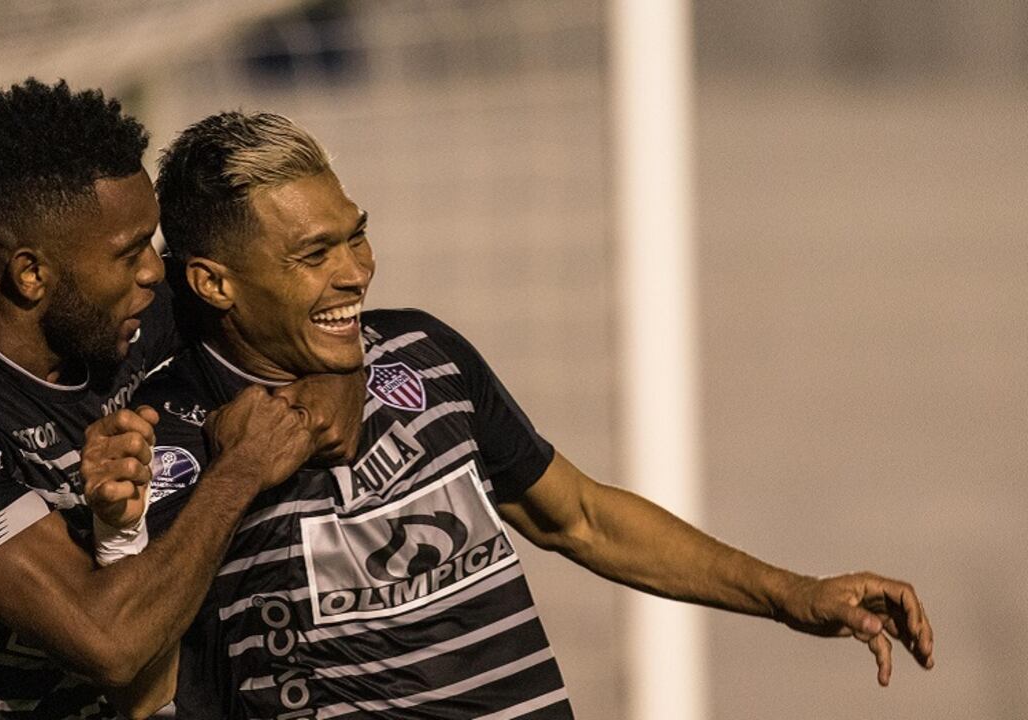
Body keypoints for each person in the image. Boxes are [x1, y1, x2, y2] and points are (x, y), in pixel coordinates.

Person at [111, 111, 936, 718]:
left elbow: (578, 518)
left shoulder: (424, 356)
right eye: (313, 255)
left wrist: (794, 595)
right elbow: (137, 678)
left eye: (356, 237)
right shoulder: (159, 445)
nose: (356, 273)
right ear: (215, 283)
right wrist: (231, 481)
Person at [0, 81, 360, 720]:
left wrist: (333, 368)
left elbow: (306, 308)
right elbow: (109, 645)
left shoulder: (119, 315)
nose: (155, 272)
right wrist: (239, 469)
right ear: (31, 275)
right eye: (129, 252)